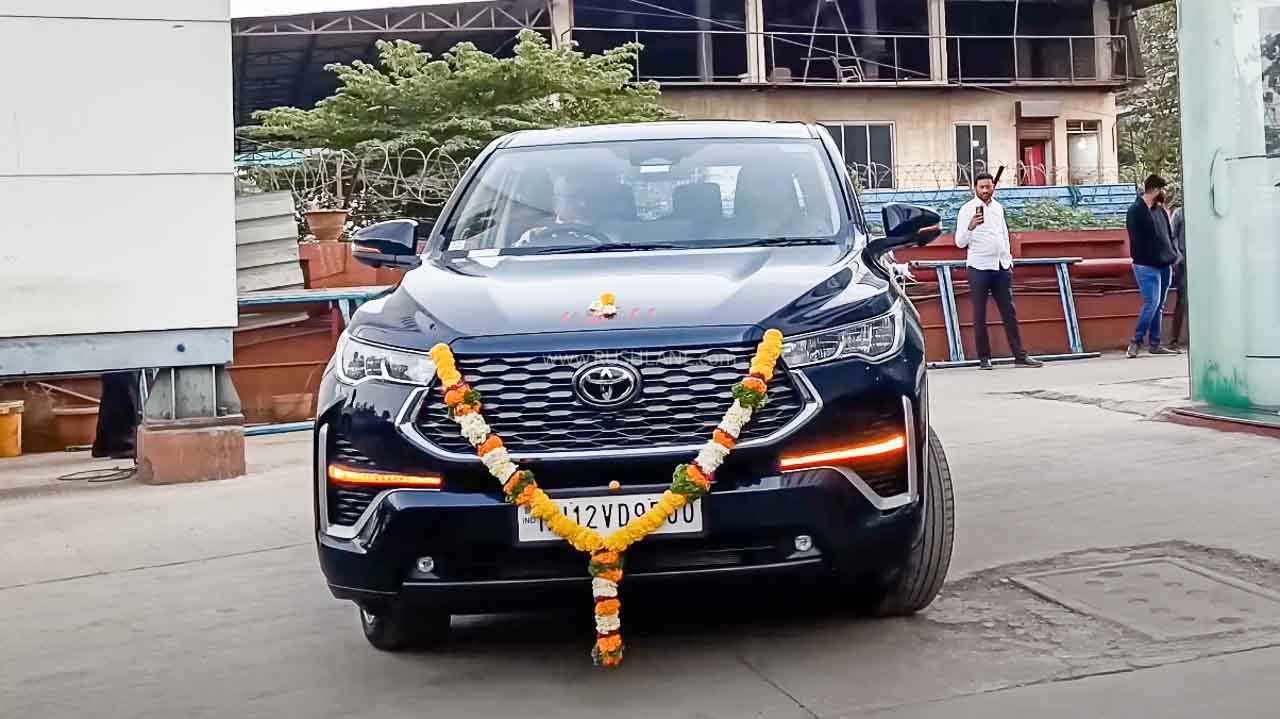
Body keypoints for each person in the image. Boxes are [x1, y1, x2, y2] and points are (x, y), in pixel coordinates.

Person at [955, 172, 1044, 370]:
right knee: (979, 314)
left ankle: (1020, 356)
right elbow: (959, 242)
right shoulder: (967, 209)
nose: (985, 190)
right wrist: (970, 226)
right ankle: (984, 358)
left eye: (988, 187)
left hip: (1001, 267)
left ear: (993, 187)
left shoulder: (998, 208)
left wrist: (1008, 259)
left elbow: (1003, 234)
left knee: (1009, 312)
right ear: (975, 188)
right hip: (979, 267)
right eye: (981, 187)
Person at [1125, 175, 1180, 358]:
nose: (1163, 193)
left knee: (1159, 305)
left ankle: (1155, 343)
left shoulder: (1160, 210)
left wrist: (1172, 255)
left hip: (1164, 264)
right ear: (1155, 190)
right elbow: (1136, 239)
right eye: (1161, 189)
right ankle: (1136, 341)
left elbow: (1168, 234)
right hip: (1146, 265)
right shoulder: (1135, 211)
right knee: (1152, 303)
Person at [1168, 204, 1188, 352]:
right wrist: (1178, 256)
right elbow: (1172, 235)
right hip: (1184, 263)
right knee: (1182, 300)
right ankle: (1174, 340)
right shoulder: (1180, 213)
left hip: (1201, 261)